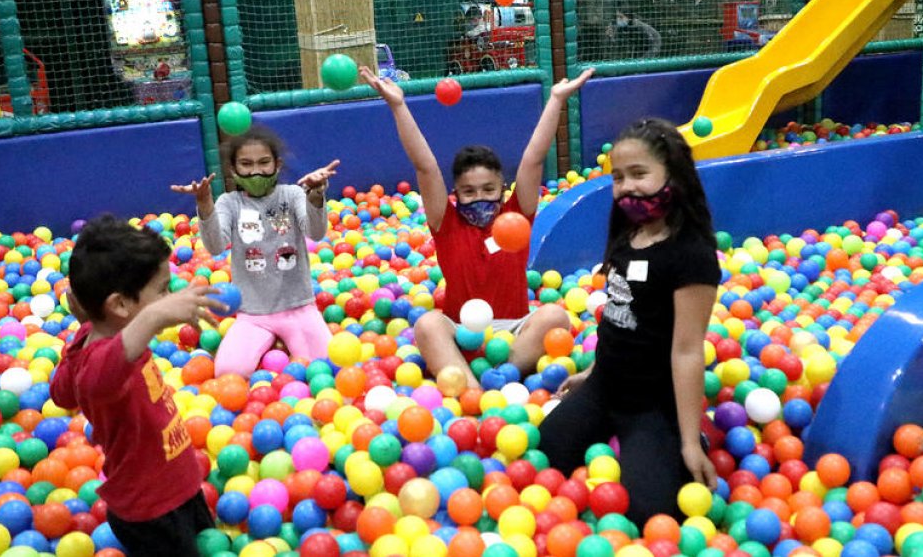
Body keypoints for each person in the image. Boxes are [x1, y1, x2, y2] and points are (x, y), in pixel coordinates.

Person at [361, 64, 594, 388]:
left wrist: (556, 99)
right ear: (456, 194)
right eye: (469, 192)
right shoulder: (447, 223)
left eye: (488, 190)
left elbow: (533, 159)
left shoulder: (516, 217)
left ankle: (500, 378)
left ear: (502, 190)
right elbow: (425, 166)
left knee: (554, 316)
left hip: (514, 333)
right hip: (461, 333)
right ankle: (470, 389)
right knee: (428, 324)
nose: (480, 198)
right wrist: (398, 106)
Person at [538, 118, 721, 526]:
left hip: (652, 403)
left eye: (639, 174)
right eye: (618, 178)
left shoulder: (690, 256)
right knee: (541, 458)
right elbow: (620, 322)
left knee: (650, 513)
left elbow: (688, 350)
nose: (627, 187)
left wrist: (690, 442)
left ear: (673, 175)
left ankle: (683, 441)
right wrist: (592, 370)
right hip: (606, 387)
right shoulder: (628, 236)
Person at [51, 215, 222, 555]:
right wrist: (155, 315)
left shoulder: (94, 339)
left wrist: (87, 324)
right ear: (119, 305)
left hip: (180, 485)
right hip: (152, 511)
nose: (170, 297)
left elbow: (62, 392)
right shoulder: (101, 366)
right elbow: (91, 381)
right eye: (162, 290)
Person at [172, 125, 338, 377]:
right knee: (228, 372)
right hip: (252, 313)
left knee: (326, 370)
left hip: (298, 307)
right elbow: (216, 245)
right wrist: (205, 204)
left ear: (277, 164)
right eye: (246, 164)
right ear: (233, 169)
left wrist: (315, 194)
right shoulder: (230, 202)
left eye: (264, 162)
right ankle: (269, 341)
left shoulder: (292, 195)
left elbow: (315, 232)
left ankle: (278, 343)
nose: (256, 171)